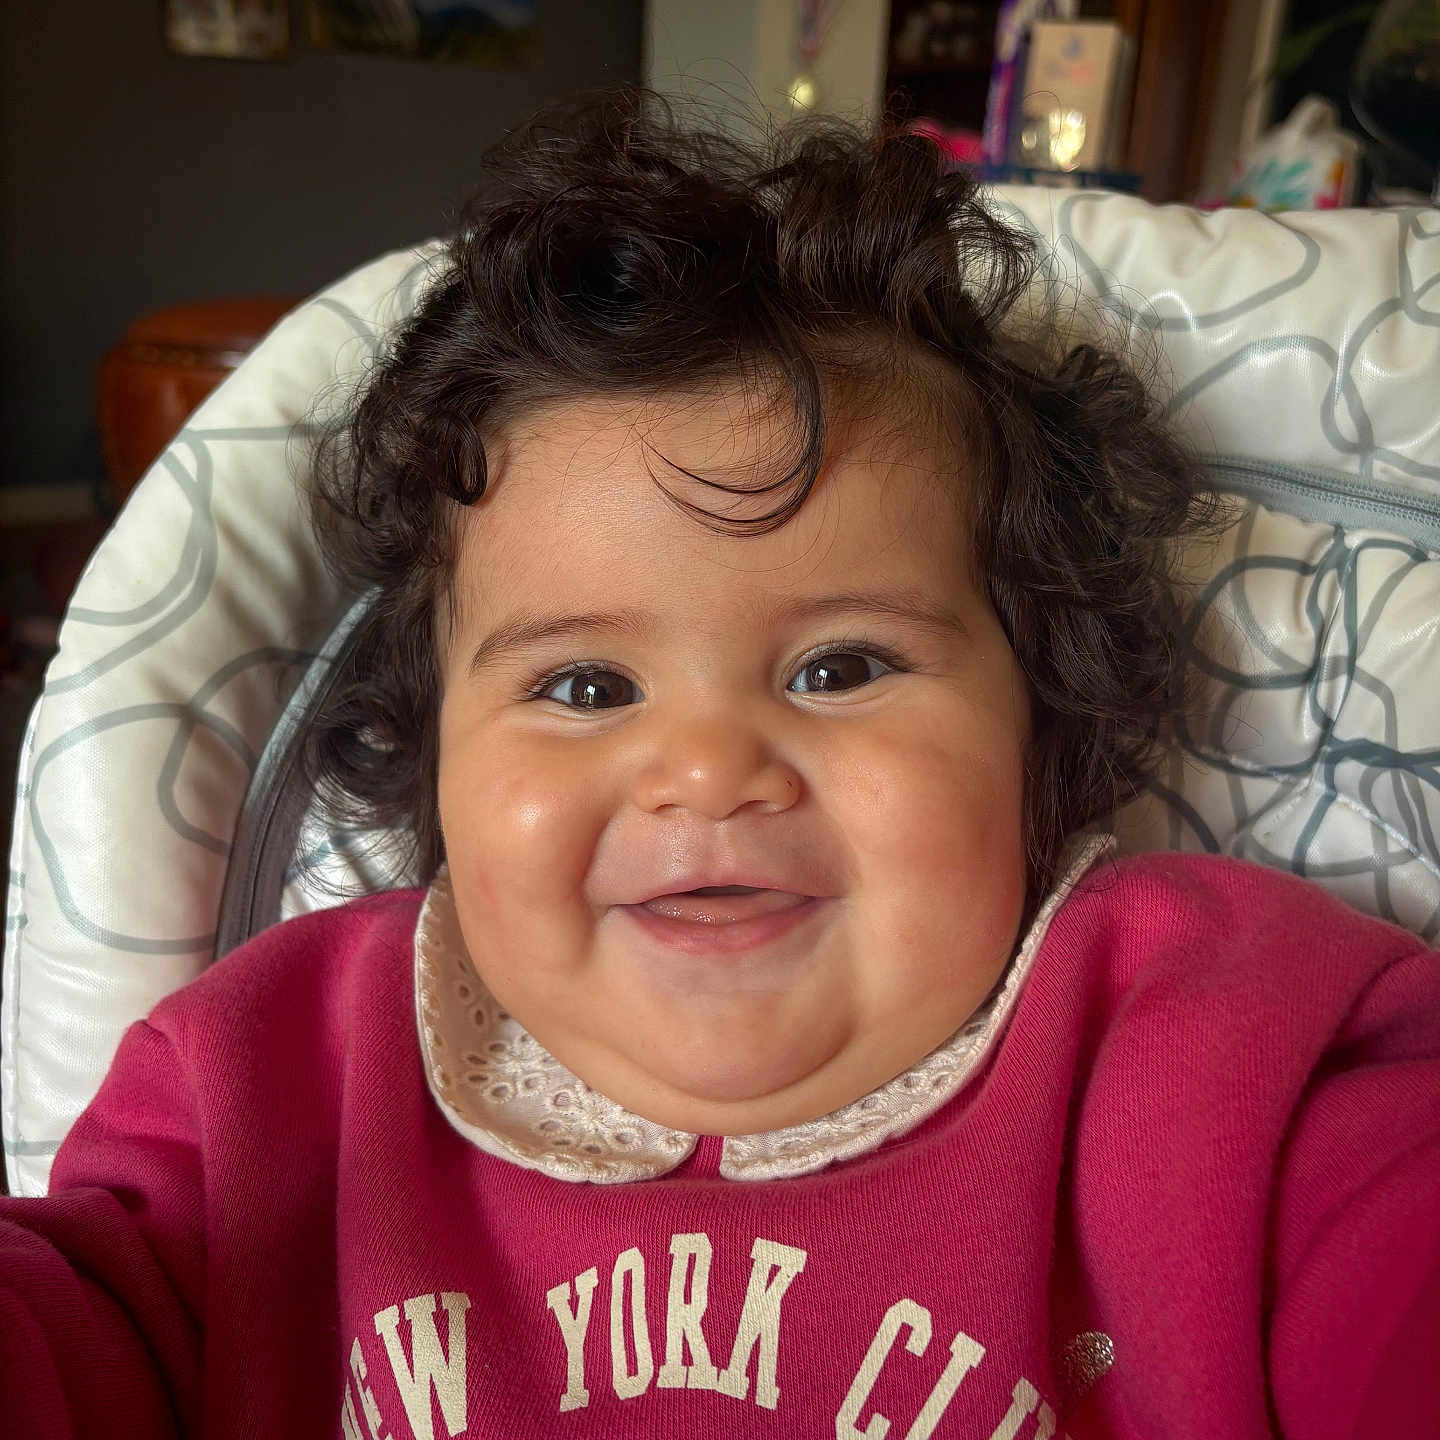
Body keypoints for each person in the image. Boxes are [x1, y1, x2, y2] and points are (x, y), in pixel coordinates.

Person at [2, 88, 1437, 1440]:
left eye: (841, 667)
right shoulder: (267, 1077)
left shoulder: (1234, 1051)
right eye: (583, 685)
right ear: (433, 751)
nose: (704, 770)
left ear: (1043, 712)